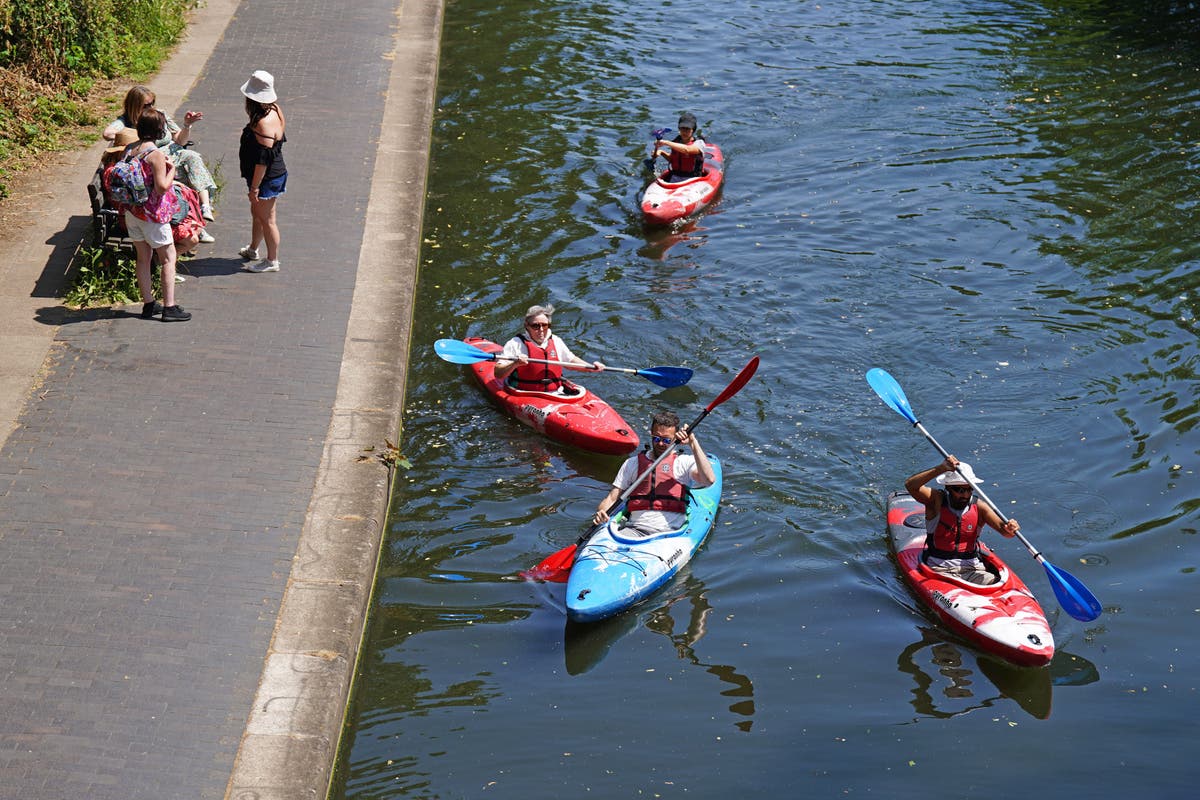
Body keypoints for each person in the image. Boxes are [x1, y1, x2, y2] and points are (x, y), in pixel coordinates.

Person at [109, 109, 191, 322]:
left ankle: (148, 304)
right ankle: (169, 307)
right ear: (160, 130)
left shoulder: (129, 149)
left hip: (131, 213)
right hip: (152, 216)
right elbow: (162, 187)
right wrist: (172, 169)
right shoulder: (155, 154)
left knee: (143, 258)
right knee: (168, 258)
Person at [102, 85, 217, 224]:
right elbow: (107, 133)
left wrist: (187, 125)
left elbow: (180, 140)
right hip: (156, 161)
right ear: (135, 106)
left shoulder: (159, 114)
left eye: (152, 103)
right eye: (146, 105)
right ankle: (194, 221)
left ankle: (204, 207)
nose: (150, 107)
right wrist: (135, 134)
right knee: (184, 175)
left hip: (174, 154)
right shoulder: (126, 121)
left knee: (192, 157)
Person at [592, 411, 716, 535]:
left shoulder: (683, 462)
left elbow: (708, 480)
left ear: (675, 439)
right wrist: (601, 512)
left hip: (670, 533)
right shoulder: (632, 463)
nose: (661, 443)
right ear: (651, 435)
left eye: (666, 440)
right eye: (656, 438)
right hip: (633, 530)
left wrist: (693, 443)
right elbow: (612, 498)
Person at [903, 455, 1019, 585]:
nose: (965, 495)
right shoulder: (935, 500)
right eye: (959, 490)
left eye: (969, 489)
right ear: (948, 487)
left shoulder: (980, 507)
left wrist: (1010, 528)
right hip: (939, 570)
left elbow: (1005, 532)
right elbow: (911, 485)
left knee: (993, 582)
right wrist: (941, 468)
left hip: (973, 570)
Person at [238, 70, 287, 273]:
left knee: (268, 219)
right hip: (269, 175)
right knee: (257, 212)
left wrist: (255, 188)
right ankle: (253, 248)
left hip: (266, 178)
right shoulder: (274, 108)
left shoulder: (262, 124)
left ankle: (272, 260)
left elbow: (262, 162)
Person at [492, 304, 605, 392]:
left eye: (544, 325)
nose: (541, 330)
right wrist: (515, 363)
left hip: (556, 392)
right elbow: (498, 373)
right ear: (527, 326)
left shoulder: (556, 341)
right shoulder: (515, 344)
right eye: (535, 326)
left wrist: (591, 367)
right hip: (525, 393)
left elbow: (571, 361)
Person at [653, 112, 706, 182]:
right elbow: (673, 160)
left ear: (693, 130)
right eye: (682, 128)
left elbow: (687, 150)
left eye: (687, 129)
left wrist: (666, 143)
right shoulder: (676, 142)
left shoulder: (699, 143)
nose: (684, 131)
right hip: (675, 177)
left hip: (693, 179)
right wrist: (661, 152)